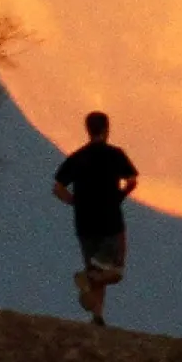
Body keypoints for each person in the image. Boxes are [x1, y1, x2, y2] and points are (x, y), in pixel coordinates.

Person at [53, 111, 138, 327]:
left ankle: (97, 316)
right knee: (114, 272)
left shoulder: (77, 157)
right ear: (107, 129)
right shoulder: (115, 154)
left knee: (97, 268)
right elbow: (131, 180)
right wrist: (118, 197)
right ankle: (88, 279)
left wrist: (74, 202)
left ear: (88, 129)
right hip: (110, 221)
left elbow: (58, 188)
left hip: (84, 223)